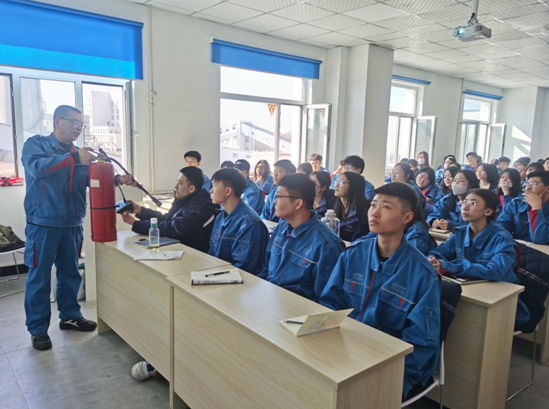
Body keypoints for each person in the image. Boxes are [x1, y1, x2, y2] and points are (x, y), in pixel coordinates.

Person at [21, 105, 136, 351]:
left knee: (70, 272)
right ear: (57, 122)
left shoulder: (77, 153)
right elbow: (37, 168)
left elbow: (88, 180)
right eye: (74, 122)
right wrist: (73, 159)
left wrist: (118, 179)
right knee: (39, 277)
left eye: (81, 124)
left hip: (72, 223)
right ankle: (38, 329)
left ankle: (70, 316)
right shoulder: (37, 145)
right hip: (43, 223)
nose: (78, 128)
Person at [320, 182, 441, 398]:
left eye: (385, 207)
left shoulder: (422, 274)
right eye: (373, 205)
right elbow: (330, 303)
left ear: (407, 217)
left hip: (389, 367)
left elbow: (421, 345)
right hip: (345, 352)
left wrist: (382, 371)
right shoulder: (353, 254)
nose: (374, 213)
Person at [259, 174, 344, 302]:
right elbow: (266, 267)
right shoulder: (281, 227)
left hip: (295, 308)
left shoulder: (326, 244)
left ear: (298, 203)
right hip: (269, 298)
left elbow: (327, 300)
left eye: (279, 197)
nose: (274, 201)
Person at [120, 167, 219, 253]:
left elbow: (171, 229)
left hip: (195, 257)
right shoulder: (187, 201)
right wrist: (140, 210)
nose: (176, 187)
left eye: (180, 183)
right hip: (182, 250)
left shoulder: (198, 209)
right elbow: (167, 219)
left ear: (191, 189)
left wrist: (135, 224)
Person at [208, 168, 269, 275]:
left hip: (239, 279)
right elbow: (212, 252)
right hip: (218, 272)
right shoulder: (220, 217)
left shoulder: (249, 223)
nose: (211, 190)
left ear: (228, 191)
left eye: (215, 186)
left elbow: (243, 267)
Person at [498, 171, 549, 244]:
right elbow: (500, 227)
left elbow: (540, 239)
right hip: (517, 247)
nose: (527, 188)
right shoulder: (516, 203)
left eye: (534, 184)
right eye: (527, 184)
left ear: (547, 189)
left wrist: (536, 207)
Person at [333, 172, 371, 242]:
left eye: (341, 182)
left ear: (354, 186)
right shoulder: (337, 208)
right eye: (336, 181)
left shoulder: (365, 213)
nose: (336, 185)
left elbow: (358, 240)